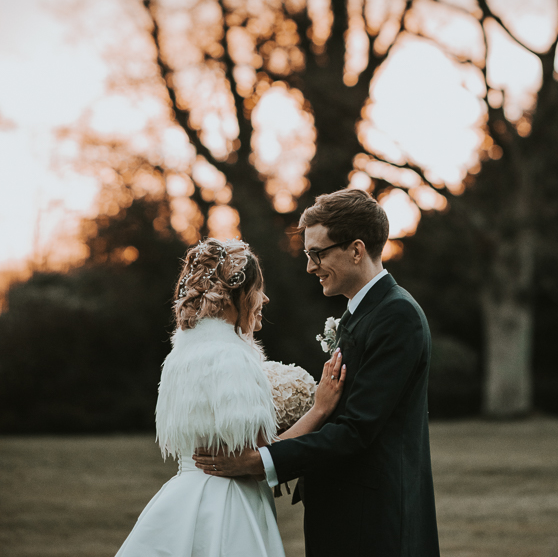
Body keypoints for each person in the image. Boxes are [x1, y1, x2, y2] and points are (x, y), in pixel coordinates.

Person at [196, 189, 441, 557]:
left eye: (317, 253)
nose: (310, 266)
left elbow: (357, 430)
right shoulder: (361, 314)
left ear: (356, 250)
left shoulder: (397, 316)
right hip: (344, 511)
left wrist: (262, 461)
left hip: (373, 521)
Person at [115, 237, 345, 557]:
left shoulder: (180, 357)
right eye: (256, 290)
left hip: (186, 494)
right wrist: (319, 410)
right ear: (234, 296)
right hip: (228, 505)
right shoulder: (231, 358)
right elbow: (260, 456)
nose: (263, 298)